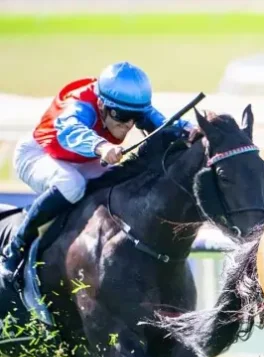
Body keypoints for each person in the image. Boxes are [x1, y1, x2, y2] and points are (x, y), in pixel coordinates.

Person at [0, 61, 195, 281]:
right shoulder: (78, 102)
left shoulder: (127, 103)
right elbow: (70, 131)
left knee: (118, 185)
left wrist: (190, 129)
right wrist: (101, 146)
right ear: (102, 105)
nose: (128, 124)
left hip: (80, 160)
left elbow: (164, 124)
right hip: (38, 154)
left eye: (136, 117)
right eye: (122, 116)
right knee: (71, 185)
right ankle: (15, 247)